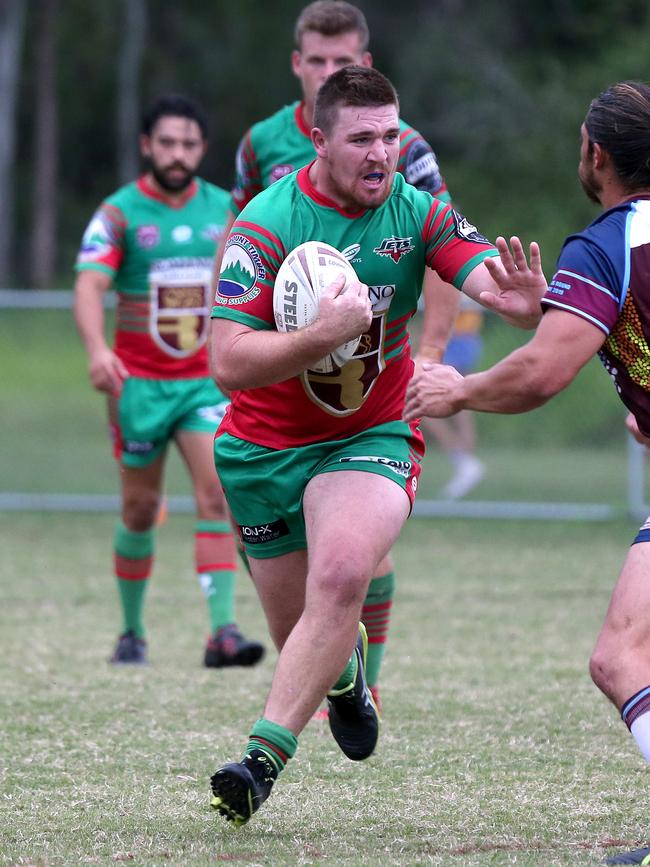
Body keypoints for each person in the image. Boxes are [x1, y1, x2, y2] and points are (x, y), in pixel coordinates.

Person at [207, 65, 544, 827]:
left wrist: (517, 303)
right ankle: (343, 673)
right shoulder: (265, 222)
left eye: (391, 135)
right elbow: (226, 360)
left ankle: (259, 760)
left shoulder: (416, 211)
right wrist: (317, 336)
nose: (381, 153)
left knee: (344, 571)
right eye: (362, 138)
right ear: (319, 141)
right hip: (261, 450)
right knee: (302, 633)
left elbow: (486, 276)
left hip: (372, 432)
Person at [404, 80, 650, 866]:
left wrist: (460, 388)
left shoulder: (609, 243)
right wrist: (557, 308)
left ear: (595, 153)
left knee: (622, 658)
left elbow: (542, 373)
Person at [213, 0, 461, 712]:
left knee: (357, 552)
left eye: (343, 61)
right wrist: (228, 327)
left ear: (367, 64)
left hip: (363, 391)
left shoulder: (398, 146)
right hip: (271, 380)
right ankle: (340, 670)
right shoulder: (262, 146)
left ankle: (367, 677)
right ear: (298, 65)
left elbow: (441, 248)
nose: (329, 70)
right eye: (318, 61)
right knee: (267, 548)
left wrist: (433, 354)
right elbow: (234, 245)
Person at [73, 94, 265, 669]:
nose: (177, 154)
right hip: (138, 388)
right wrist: (96, 349)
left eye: (188, 144)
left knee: (216, 494)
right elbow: (88, 286)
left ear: (202, 149)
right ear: (146, 146)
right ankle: (132, 632)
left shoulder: (226, 211)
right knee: (139, 509)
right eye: (167, 143)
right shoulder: (119, 213)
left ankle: (223, 634)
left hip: (204, 384)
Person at [418, 297, 485, 499]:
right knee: (455, 402)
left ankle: (464, 462)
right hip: (456, 337)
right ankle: (465, 462)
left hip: (456, 337)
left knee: (424, 401)